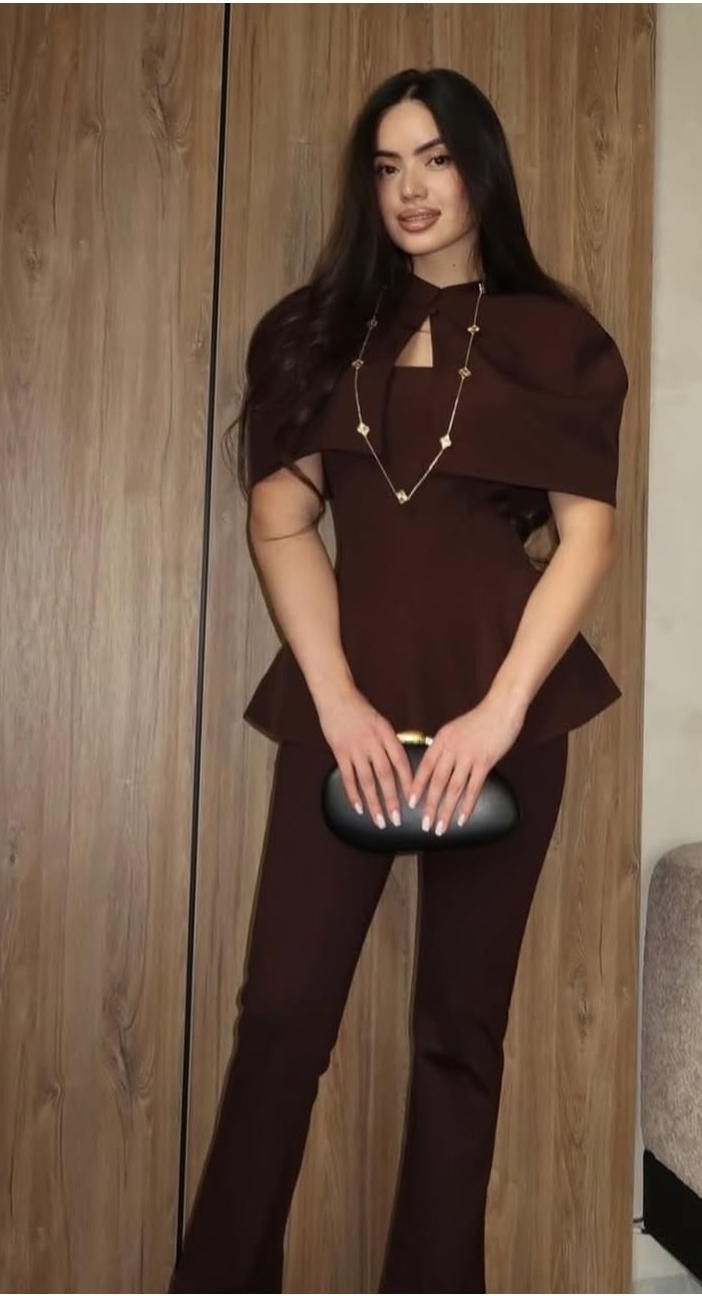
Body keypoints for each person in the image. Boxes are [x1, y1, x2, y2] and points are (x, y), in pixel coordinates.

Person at [170, 66, 629, 1295]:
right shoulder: (313, 335)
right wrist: (335, 701)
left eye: (434, 158)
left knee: (459, 1037)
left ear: (480, 170)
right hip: (347, 714)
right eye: (387, 166)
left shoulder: (558, 340)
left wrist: (500, 713)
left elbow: (587, 539)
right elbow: (281, 524)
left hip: (506, 718)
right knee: (281, 1017)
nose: (411, 189)